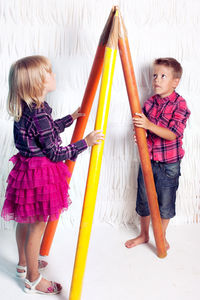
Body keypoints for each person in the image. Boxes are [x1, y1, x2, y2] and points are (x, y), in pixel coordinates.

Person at [1, 55, 104, 295]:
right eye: (49, 73)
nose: (54, 75)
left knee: (24, 220)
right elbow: (56, 152)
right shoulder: (39, 114)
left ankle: (24, 264)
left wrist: (70, 118)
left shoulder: (29, 109)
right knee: (37, 224)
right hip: (40, 176)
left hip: (26, 172)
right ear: (38, 83)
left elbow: (45, 133)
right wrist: (84, 143)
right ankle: (33, 279)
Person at [125, 57, 190, 251]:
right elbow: (142, 129)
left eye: (163, 76)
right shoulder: (150, 103)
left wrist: (149, 126)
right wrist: (141, 135)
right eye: (155, 76)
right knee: (143, 199)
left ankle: (160, 236)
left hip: (169, 164)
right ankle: (144, 234)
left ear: (175, 82)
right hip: (148, 159)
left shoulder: (180, 104)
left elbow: (172, 134)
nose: (157, 80)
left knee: (166, 203)